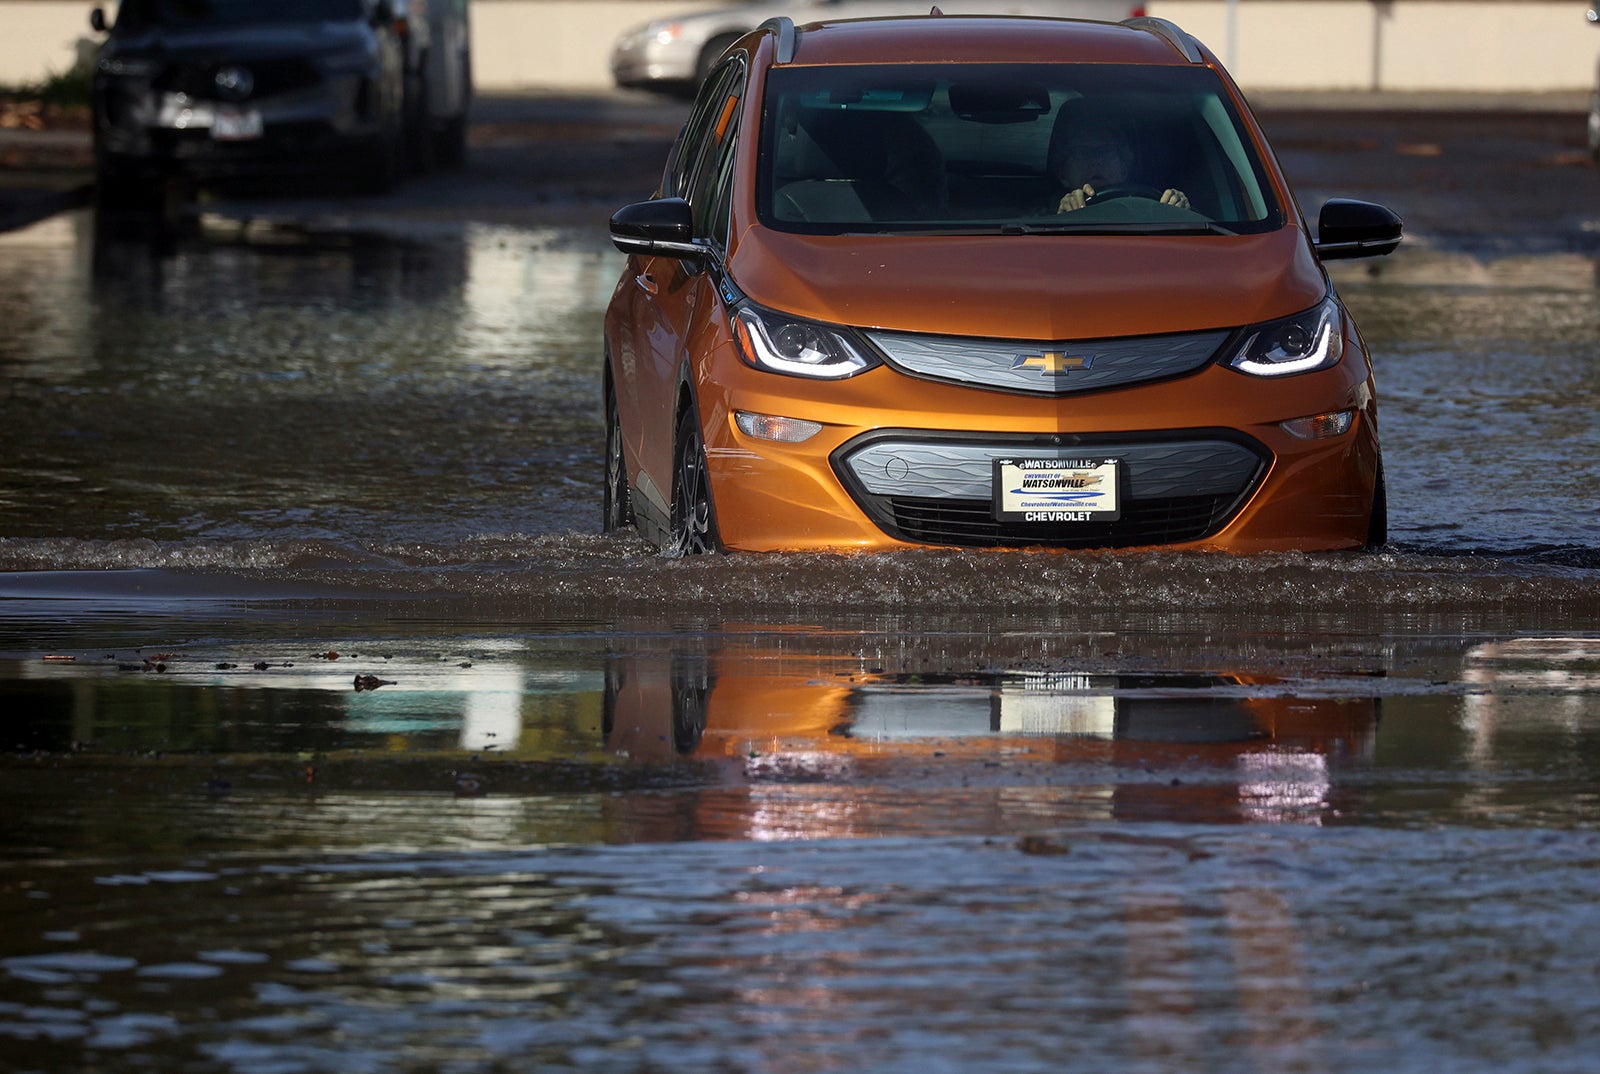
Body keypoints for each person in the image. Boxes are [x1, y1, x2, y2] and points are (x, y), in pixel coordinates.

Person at [1047, 110, 1189, 214]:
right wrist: (1062, 221)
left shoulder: (1153, 209)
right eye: (1083, 152)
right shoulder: (1036, 221)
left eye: (1105, 151)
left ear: (1124, 168)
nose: (1096, 161)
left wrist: (1180, 214)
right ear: (1063, 173)